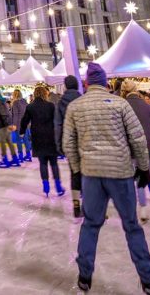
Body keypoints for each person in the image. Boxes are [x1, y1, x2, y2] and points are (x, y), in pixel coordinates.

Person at [62, 63, 150, 294]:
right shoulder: (120, 103)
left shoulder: (75, 106)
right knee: (132, 226)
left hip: (91, 174)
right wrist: (144, 168)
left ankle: (84, 276)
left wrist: (77, 169)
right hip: (120, 173)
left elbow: (68, 144)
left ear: (86, 83)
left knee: (90, 224)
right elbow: (138, 138)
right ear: (106, 83)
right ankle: (148, 279)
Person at [120, 80, 150, 224]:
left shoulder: (122, 107)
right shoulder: (148, 107)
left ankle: (143, 210)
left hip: (134, 149)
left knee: (139, 179)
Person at [21, 84, 63, 197]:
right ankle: (58, 186)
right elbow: (57, 120)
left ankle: (46, 185)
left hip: (38, 138)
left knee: (43, 163)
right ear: (45, 93)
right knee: (54, 163)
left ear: (35, 95)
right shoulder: (51, 106)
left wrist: (21, 132)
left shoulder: (30, 107)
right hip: (50, 137)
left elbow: (24, 121)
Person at [55, 75, 83, 218]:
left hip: (70, 142)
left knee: (74, 173)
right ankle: (88, 205)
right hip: (85, 141)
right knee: (86, 173)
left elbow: (58, 125)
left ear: (65, 86)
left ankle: (76, 204)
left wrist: (59, 145)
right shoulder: (82, 99)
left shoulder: (61, 103)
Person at [0, 89, 19, 168]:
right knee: (9, 142)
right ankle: (15, 159)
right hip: (5, 124)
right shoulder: (2, 100)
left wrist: (7, 124)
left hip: (2, 125)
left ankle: (5, 160)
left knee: (2, 142)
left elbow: (3, 114)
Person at [10, 89, 32, 162]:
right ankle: (28, 155)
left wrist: (14, 124)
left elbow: (16, 115)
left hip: (19, 124)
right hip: (25, 123)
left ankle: (20, 156)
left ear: (14, 94)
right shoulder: (24, 101)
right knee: (26, 139)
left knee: (19, 140)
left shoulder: (15, 102)